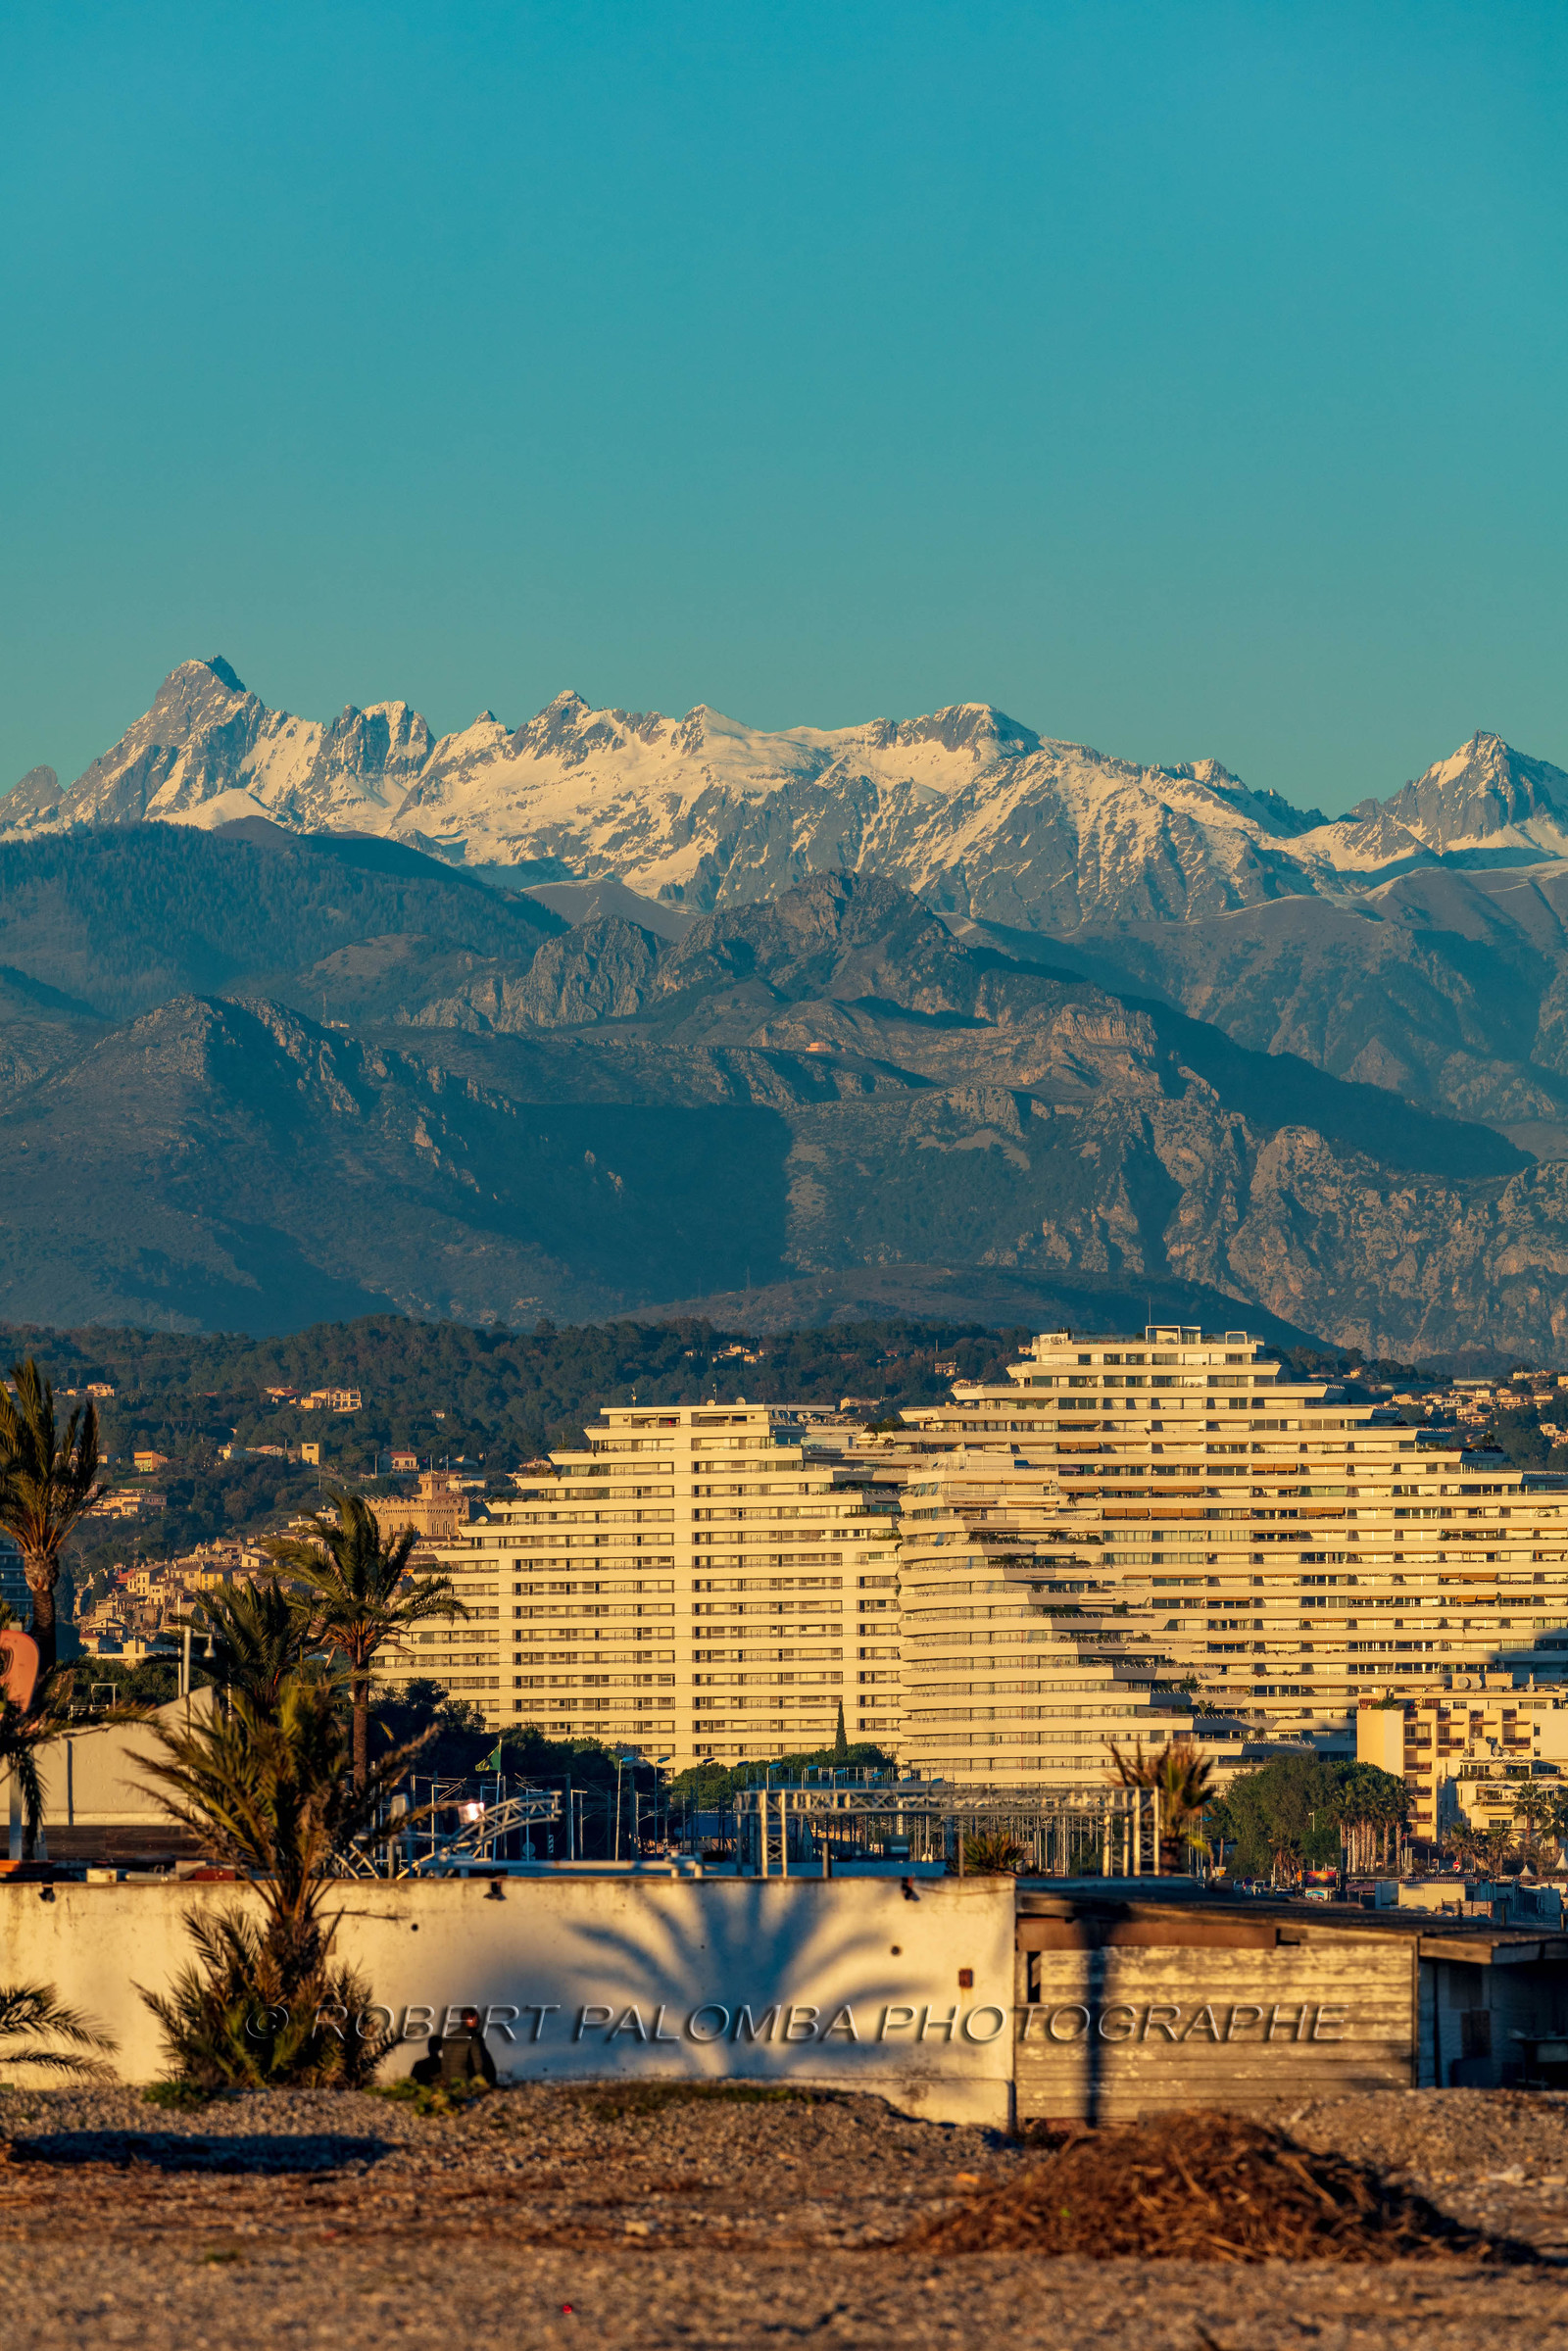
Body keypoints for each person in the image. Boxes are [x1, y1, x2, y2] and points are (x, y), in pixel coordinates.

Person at [410, 2004, 498, 2089]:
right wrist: (482, 2081)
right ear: (469, 2019)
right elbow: (479, 2064)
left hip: (449, 2081)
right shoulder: (474, 2038)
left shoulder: (449, 2037)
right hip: (466, 2081)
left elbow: (445, 2063)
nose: (479, 2021)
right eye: (476, 2019)